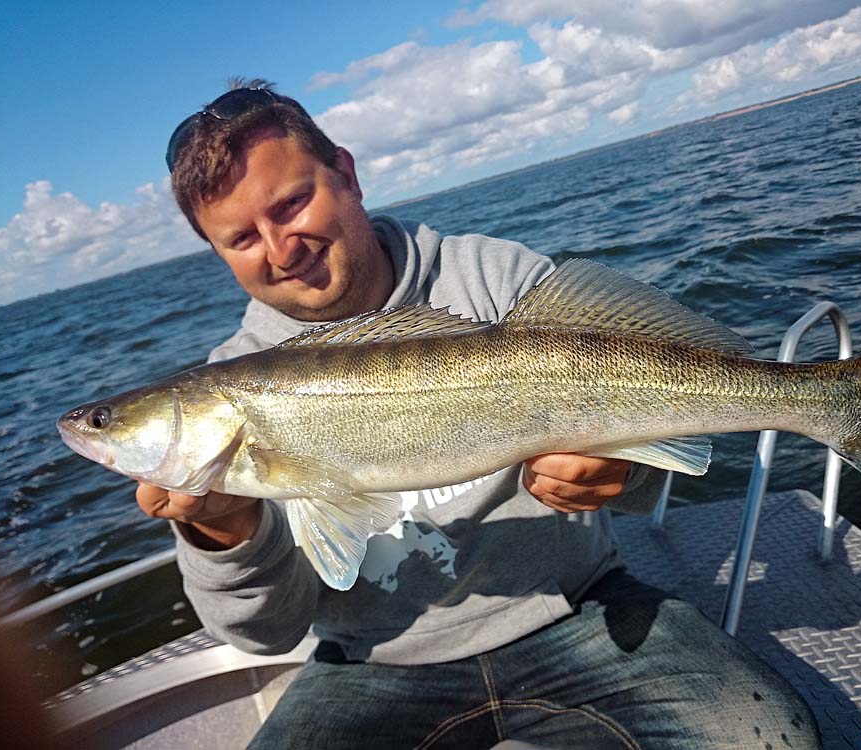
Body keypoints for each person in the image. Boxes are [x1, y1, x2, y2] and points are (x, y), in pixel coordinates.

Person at [137, 79, 822, 749]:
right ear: (217, 252)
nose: (282, 249)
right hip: (373, 660)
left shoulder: (493, 280)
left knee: (770, 739)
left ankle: (835, 404)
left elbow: (640, 462)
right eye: (242, 239)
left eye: (291, 204)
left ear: (345, 173)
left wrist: (621, 470)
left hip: (576, 604)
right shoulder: (228, 379)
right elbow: (266, 637)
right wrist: (230, 534)